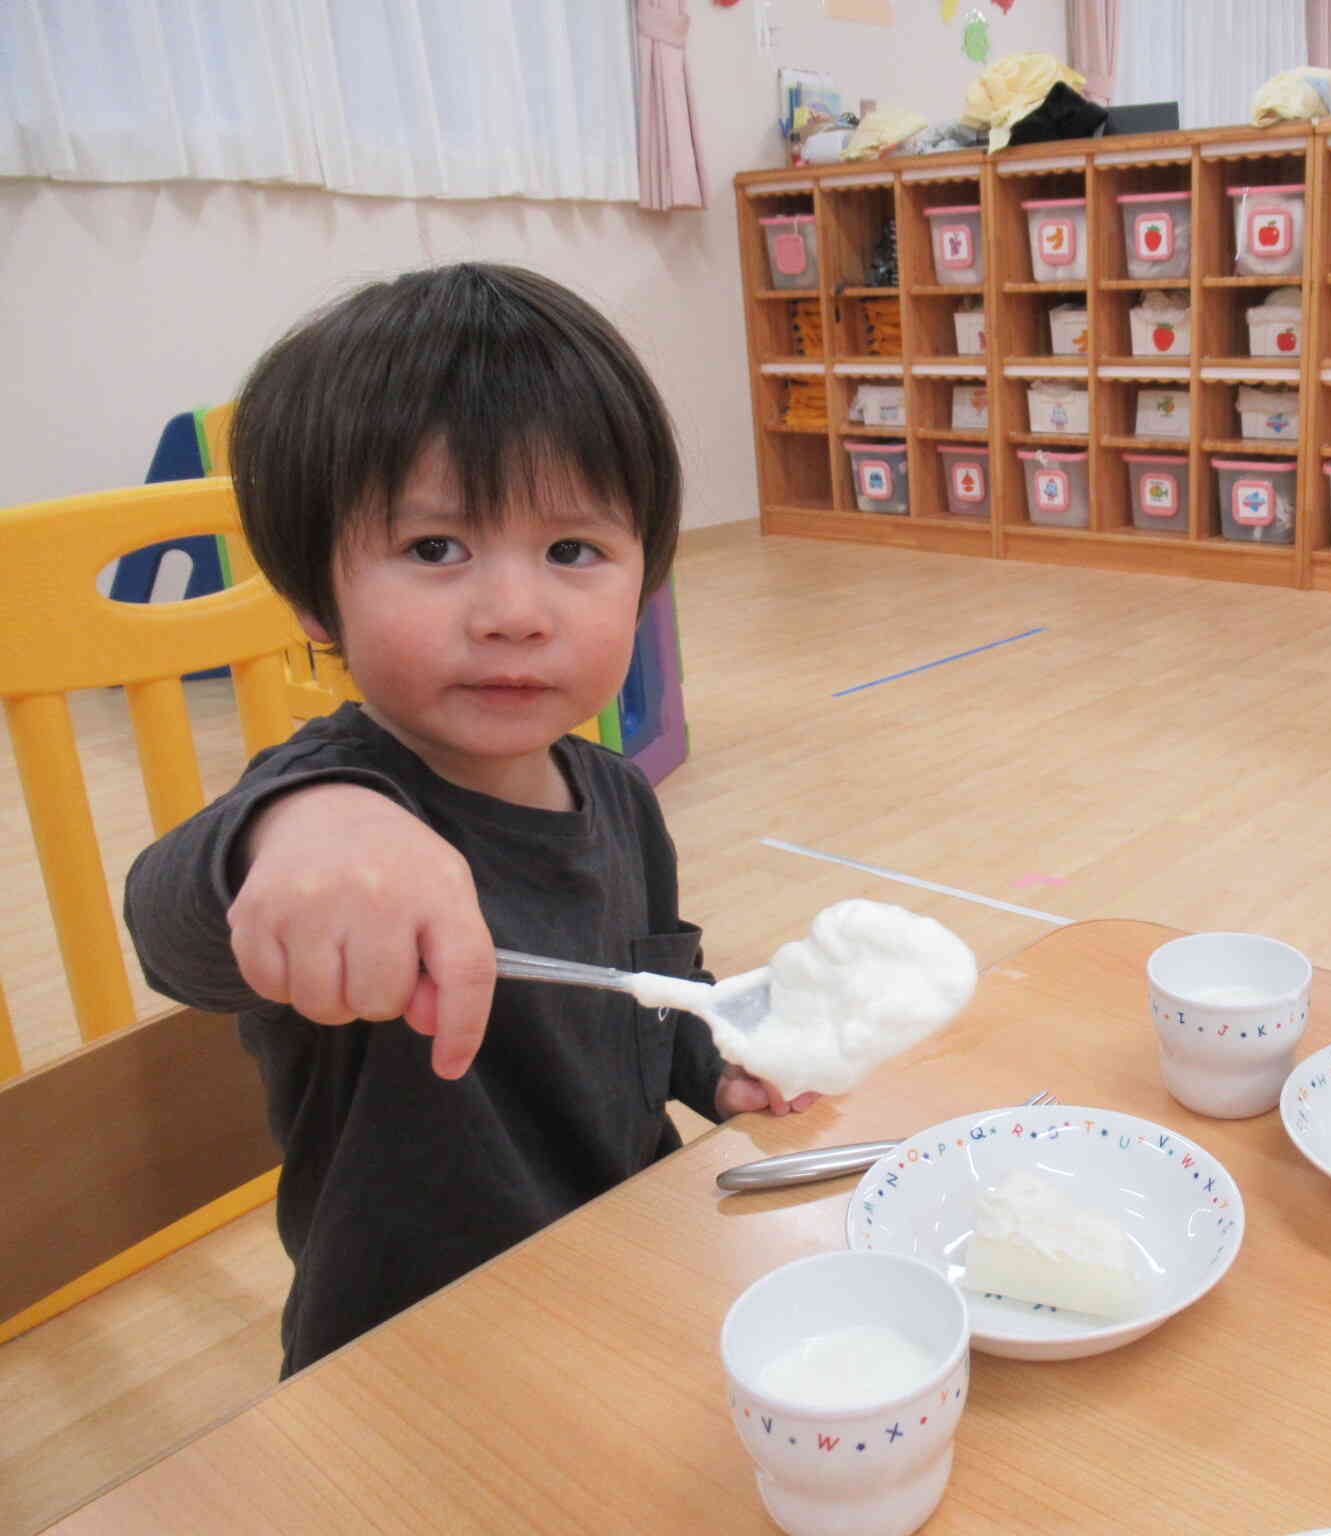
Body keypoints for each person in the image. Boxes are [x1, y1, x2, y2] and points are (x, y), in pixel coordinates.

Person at [125, 263, 816, 1373]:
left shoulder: (619, 798)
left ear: (644, 577)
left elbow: (651, 990)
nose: (512, 614)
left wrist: (714, 1063)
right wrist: (299, 826)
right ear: (314, 597)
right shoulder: (327, 807)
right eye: (434, 549)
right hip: (414, 1344)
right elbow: (173, 930)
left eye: (572, 551)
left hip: (629, 1271)